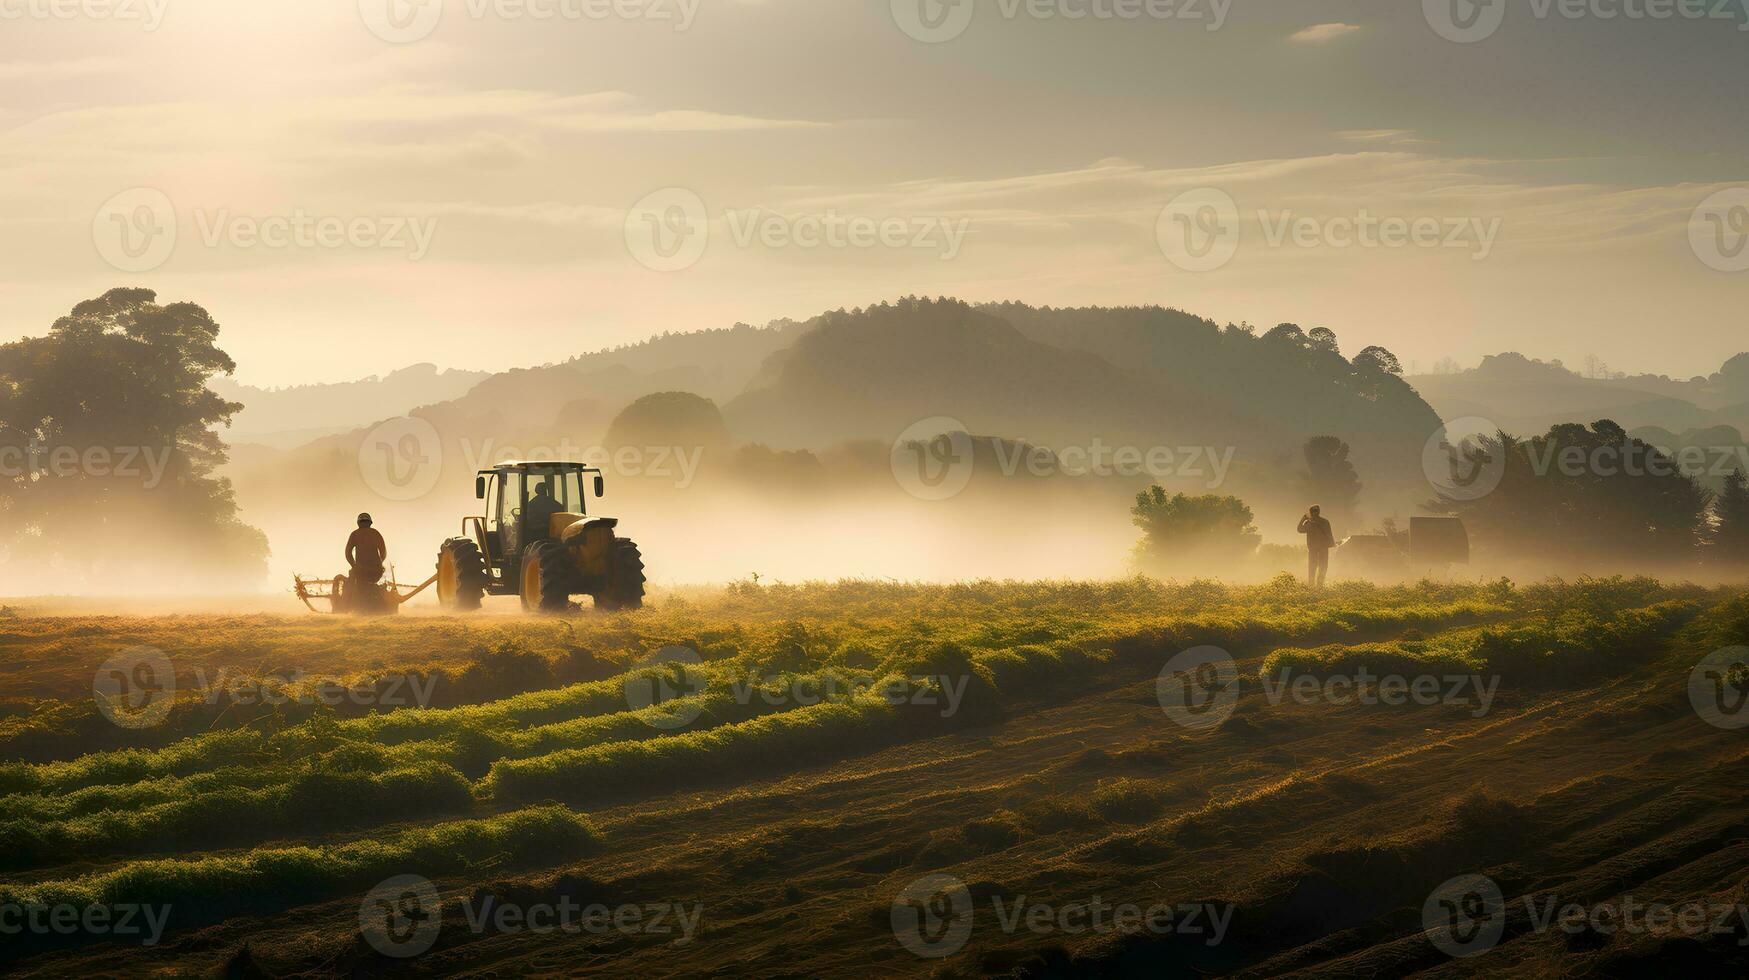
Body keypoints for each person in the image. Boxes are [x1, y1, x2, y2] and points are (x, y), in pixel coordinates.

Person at [1297, 505, 1335, 587]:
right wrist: (1331, 544)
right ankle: (1319, 586)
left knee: (1312, 568)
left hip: (1313, 550)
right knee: (1323, 567)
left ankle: (1312, 586)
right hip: (1323, 549)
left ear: (1310, 513)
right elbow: (1329, 535)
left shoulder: (1309, 523)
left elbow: (1299, 529)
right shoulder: (1325, 522)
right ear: (1319, 512)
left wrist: (1303, 518)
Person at [346, 512, 388, 585]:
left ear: (358, 523)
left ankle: (348, 595)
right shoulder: (375, 533)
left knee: (352, 582)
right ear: (370, 523)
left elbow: (348, 553)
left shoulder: (355, 534)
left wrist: (354, 566)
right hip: (376, 572)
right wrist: (379, 564)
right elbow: (383, 553)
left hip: (361, 571)